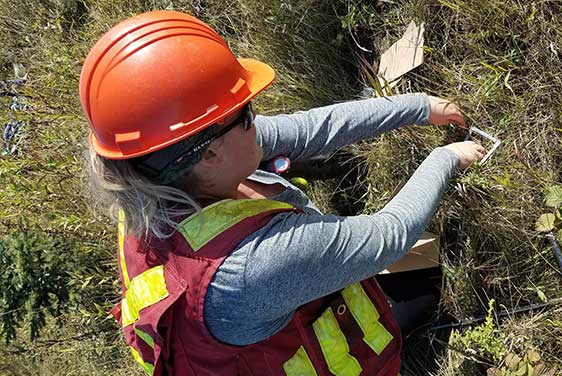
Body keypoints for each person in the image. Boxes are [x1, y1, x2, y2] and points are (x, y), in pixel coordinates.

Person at [81, 10, 486, 376]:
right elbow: (390, 234)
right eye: (246, 113)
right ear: (209, 154)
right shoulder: (248, 270)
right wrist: (446, 156)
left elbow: (312, 130)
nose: (258, 117)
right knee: (422, 289)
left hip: (266, 315)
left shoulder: (152, 178)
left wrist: (420, 106)